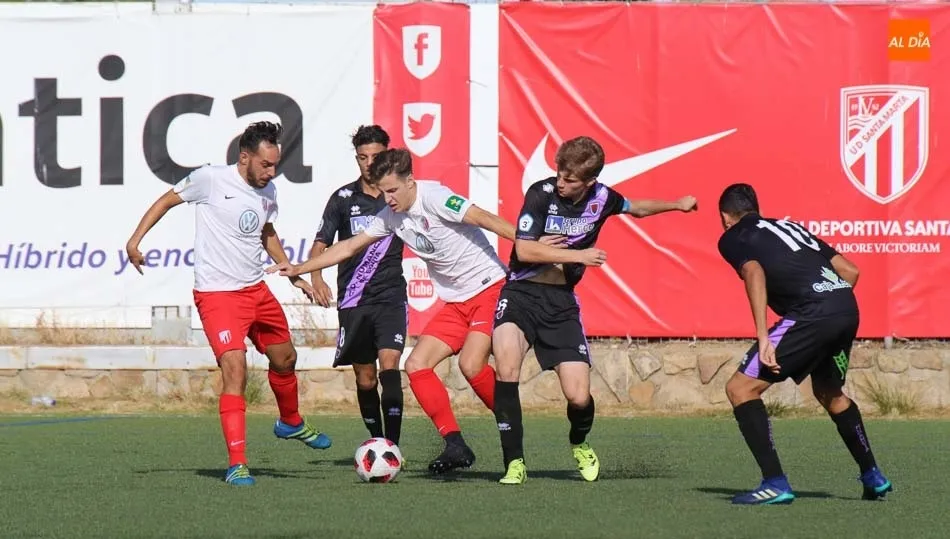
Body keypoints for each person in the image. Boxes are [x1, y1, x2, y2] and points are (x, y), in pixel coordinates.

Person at [270, 148, 551, 474]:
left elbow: (485, 218)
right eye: (383, 191)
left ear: (410, 182)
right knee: (416, 365)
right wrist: (300, 267)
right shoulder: (391, 216)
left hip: (489, 288)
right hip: (457, 302)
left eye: (392, 191)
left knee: (471, 364)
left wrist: (533, 245)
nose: (386, 198)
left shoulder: (436, 198)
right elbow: (347, 247)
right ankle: (455, 444)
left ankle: (509, 425)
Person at [125, 121, 331, 487]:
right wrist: (134, 241)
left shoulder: (269, 191)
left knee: (286, 358)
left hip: (256, 290)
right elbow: (167, 200)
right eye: (265, 164)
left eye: (275, 165)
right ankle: (237, 463)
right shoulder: (210, 179)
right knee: (234, 368)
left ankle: (291, 422)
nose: (272, 171)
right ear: (245, 157)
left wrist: (294, 275)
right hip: (218, 296)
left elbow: (266, 231)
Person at [491, 135, 698, 485]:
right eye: (559, 173)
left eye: (569, 180)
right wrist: (578, 255)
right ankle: (514, 462)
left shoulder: (602, 198)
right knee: (506, 366)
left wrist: (675, 204)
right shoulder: (541, 194)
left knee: (579, 396)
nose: (560, 182)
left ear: (590, 182)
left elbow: (635, 207)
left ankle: (579, 441)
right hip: (521, 293)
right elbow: (525, 252)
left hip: (560, 305)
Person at [716, 182, 893, 505]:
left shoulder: (733, 236)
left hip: (813, 312)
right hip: (845, 306)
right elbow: (849, 270)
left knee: (740, 389)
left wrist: (764, 336)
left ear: (726, 218)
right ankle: (873, 475)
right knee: (829, 392)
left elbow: (753, 272)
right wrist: (828, 311)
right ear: (756, 209)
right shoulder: (789, 227)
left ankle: (775, 482)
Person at [308, 125, 408, 445]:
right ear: (357, 159)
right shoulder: (342, 199)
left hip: (391, 294)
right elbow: (321, 242)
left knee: (389, 366)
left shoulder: (397, 197)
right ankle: (377, 441)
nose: (368, 163)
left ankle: (392, 445)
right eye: (362, 157)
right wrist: (316, 276)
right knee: (365, 379)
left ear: (386, 157)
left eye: (375, 157)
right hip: (354, 298)